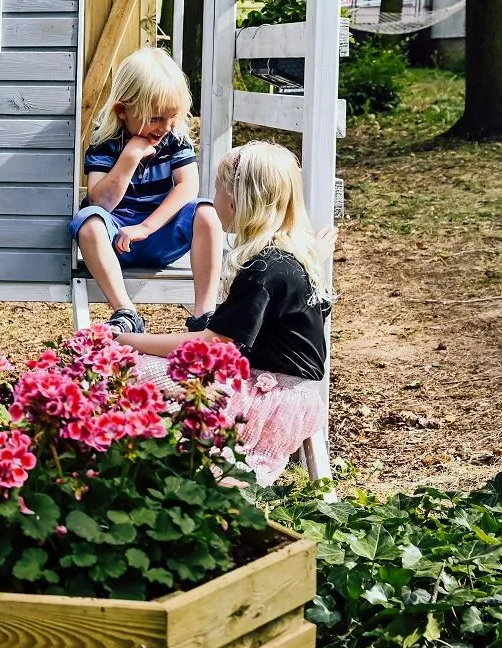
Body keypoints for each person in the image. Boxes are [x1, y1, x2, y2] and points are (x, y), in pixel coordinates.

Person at [117, 141, 336, 483]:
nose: (212, 198)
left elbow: (212, 346)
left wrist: (130, 340)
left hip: (264, 399)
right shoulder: (292, 257)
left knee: (133, 368)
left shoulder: (264, 268)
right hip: (293, 395)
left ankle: (150, 469)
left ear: (237, 200)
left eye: (217, 189)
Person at [72, 48, 222, 335]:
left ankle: (204, 314)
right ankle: (126, 313)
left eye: (173, 117)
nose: (165, 127)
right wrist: (129, 157)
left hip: (160, 234)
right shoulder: (105, 142)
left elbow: (187, 186)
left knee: (205, 212)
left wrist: (146, 227)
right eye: (155, 118)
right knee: (88, 221)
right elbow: (101, 202)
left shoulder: (174, 140)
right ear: (122, 110)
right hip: (114, 243)